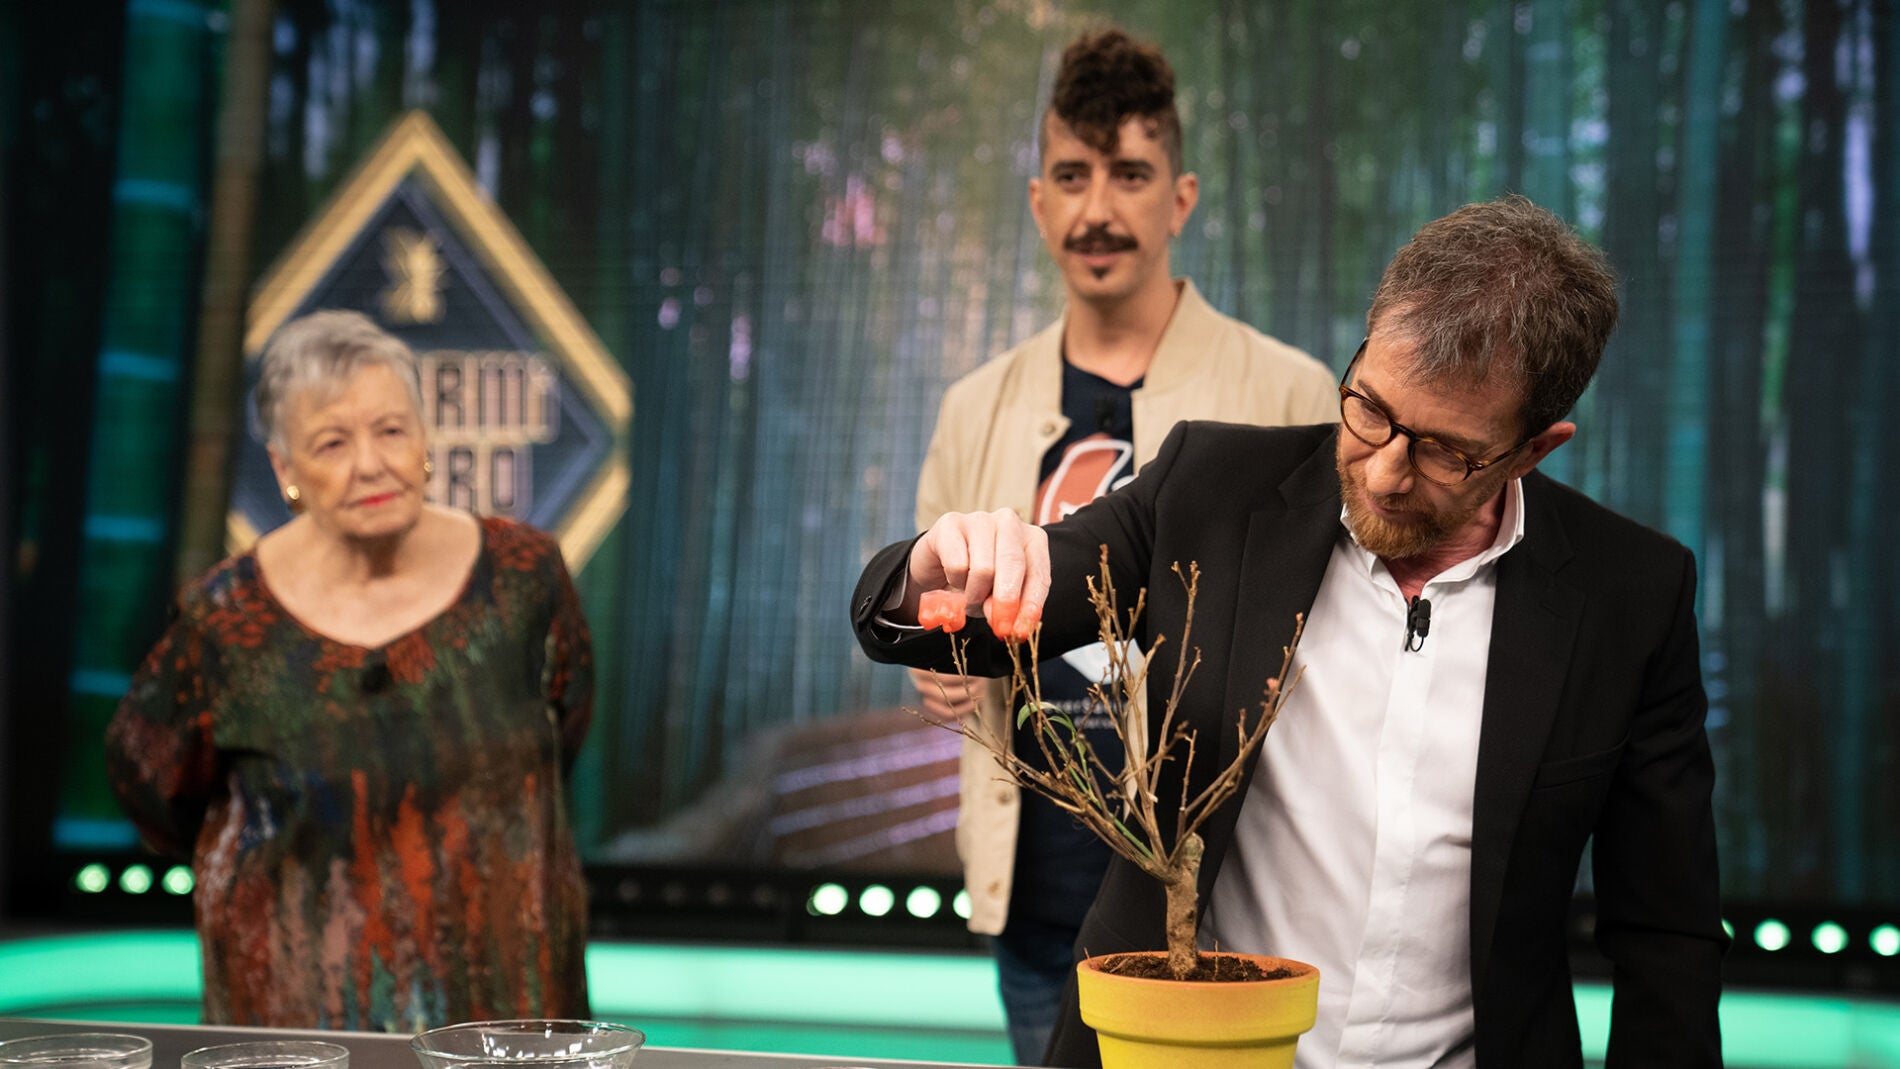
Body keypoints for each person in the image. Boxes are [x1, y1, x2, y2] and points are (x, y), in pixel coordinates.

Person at [856, 196, 1724, 1067]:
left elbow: (1666, 936)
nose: (1384, 470)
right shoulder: (1212, 487)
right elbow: (979, 615)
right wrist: (931, 570)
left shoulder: (1628, 595)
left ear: (1535, 448)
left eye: (1445, 452)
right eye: (1371, 409)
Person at [910, 27, 1336, 1064]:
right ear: (1038, 201)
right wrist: (933, 653)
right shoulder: (976, 407)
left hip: (1223, 909)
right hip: (1038, 901)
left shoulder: (1286, 393)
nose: (1099, 210)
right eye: (1072, 176)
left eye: (1130, 174)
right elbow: (933, 610)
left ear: (1179, 197)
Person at [106, 310, 594, 1031]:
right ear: (285, 469)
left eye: (392, 429)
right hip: (297, 1028)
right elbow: (149, 785)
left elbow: (566, 731)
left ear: (425, 441)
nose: (371, 463)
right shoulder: (226, 621)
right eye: (332, 442)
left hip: (506, 1021)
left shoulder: (525, 579)